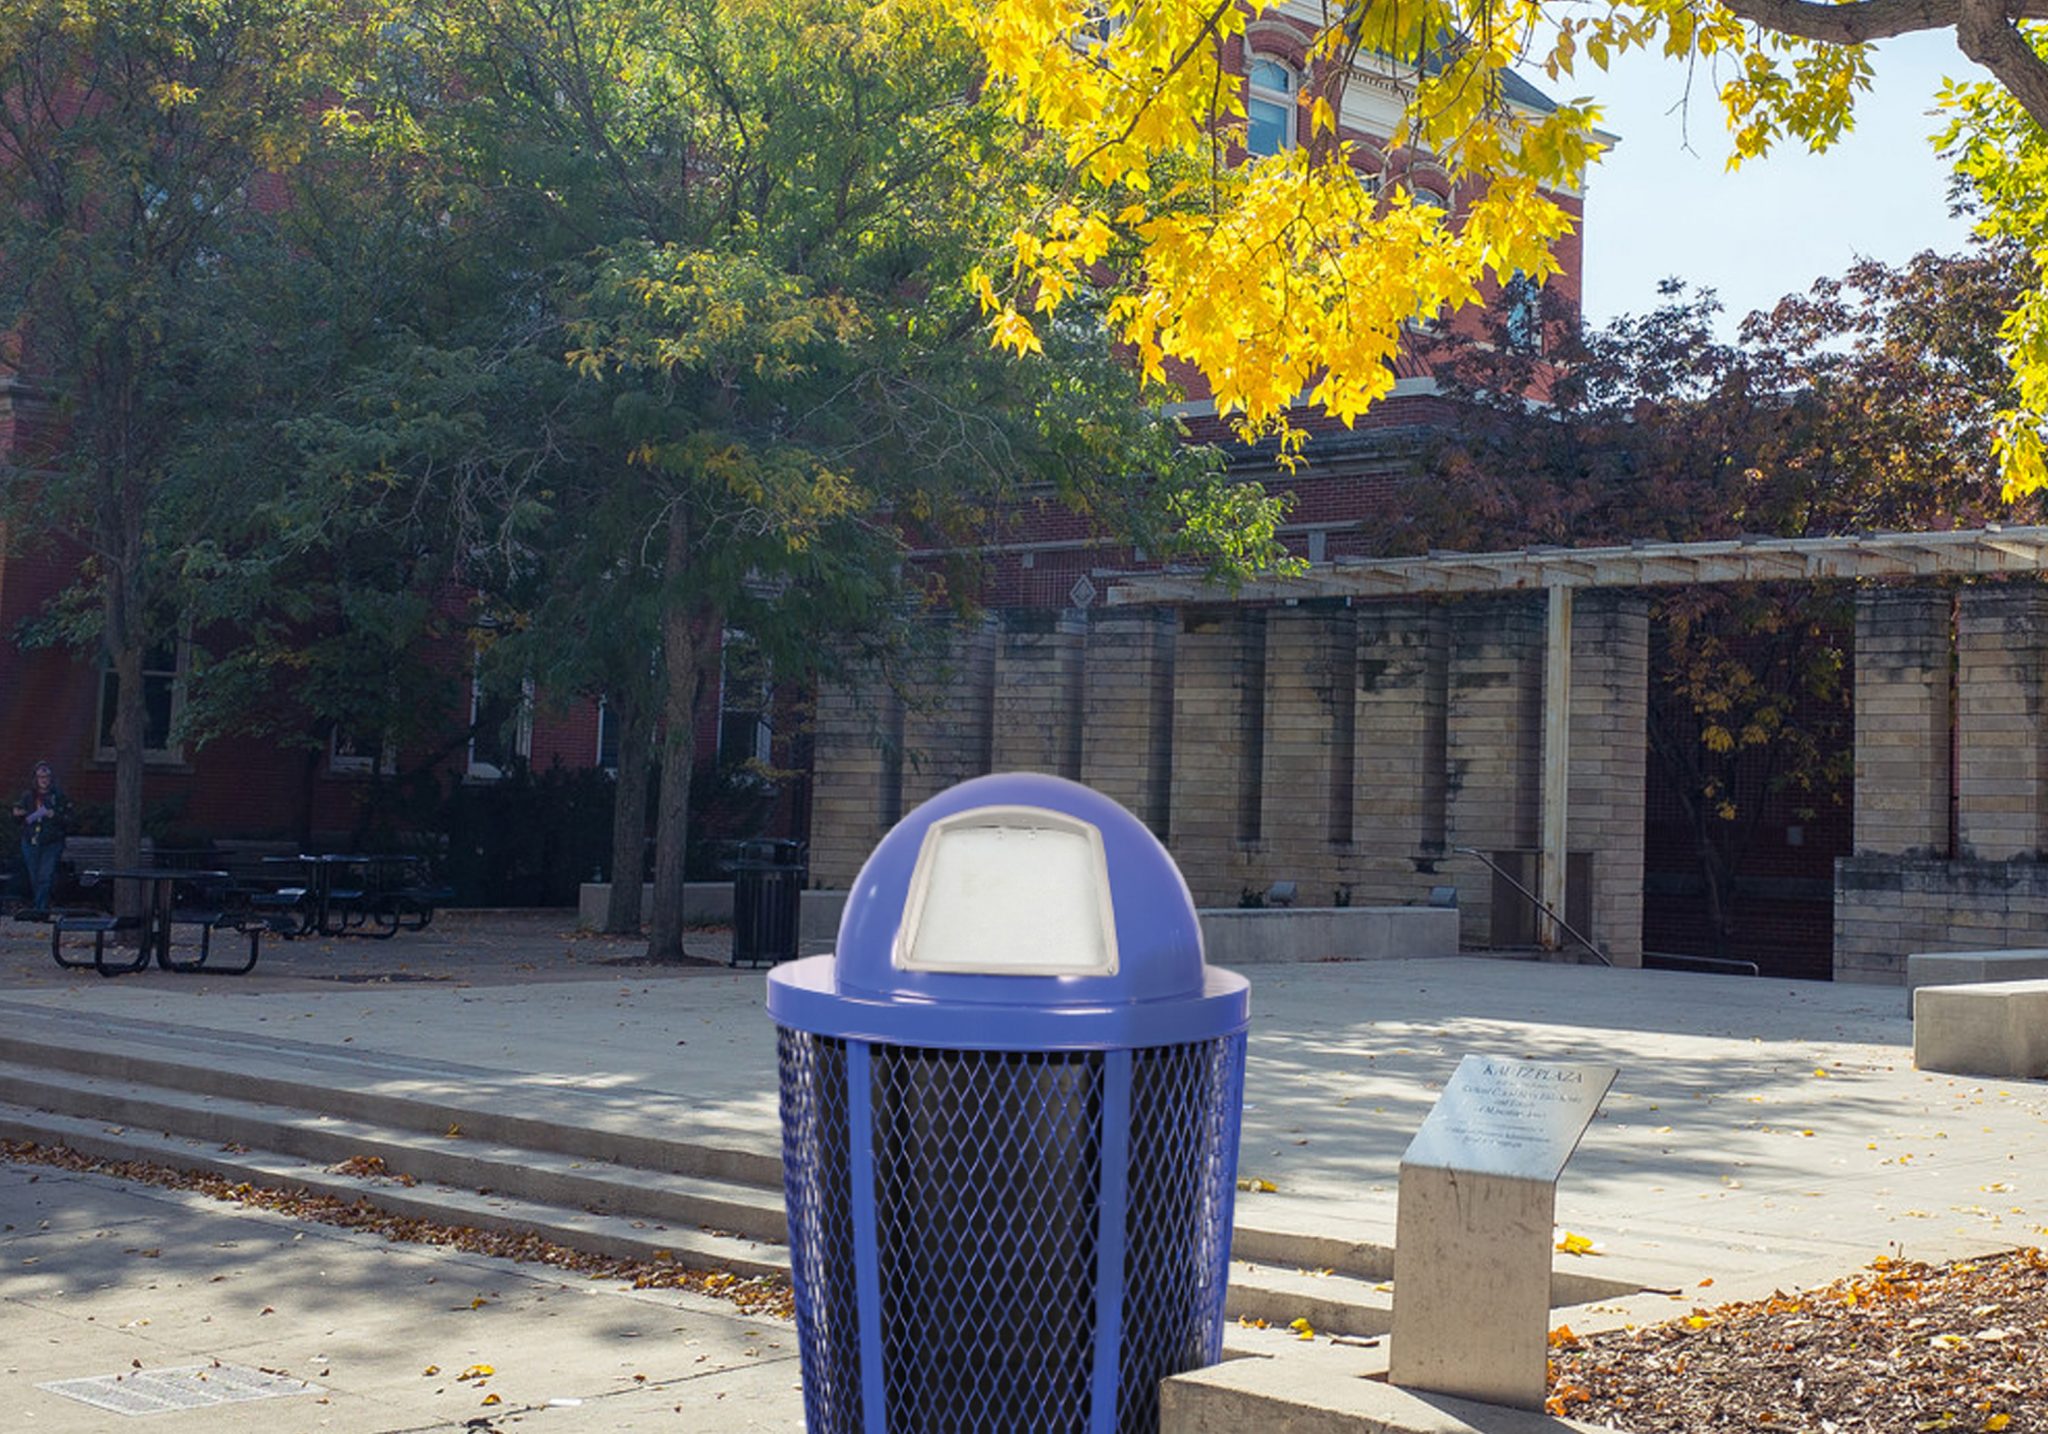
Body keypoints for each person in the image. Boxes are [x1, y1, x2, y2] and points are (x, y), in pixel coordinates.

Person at [13, 761, 71, 916]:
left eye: (46, 777)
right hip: (31, 841)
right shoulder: (28, 796)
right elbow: (20, 819)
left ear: (51, 778)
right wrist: (18, 813)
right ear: (35, 778)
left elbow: (69, 820)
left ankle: (40, 910)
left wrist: (54, 815)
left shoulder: (59, 796)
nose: (44, 780)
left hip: (51, 842)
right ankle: (39, 906)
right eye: (40, 777)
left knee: (46, 875)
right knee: (35, 876)